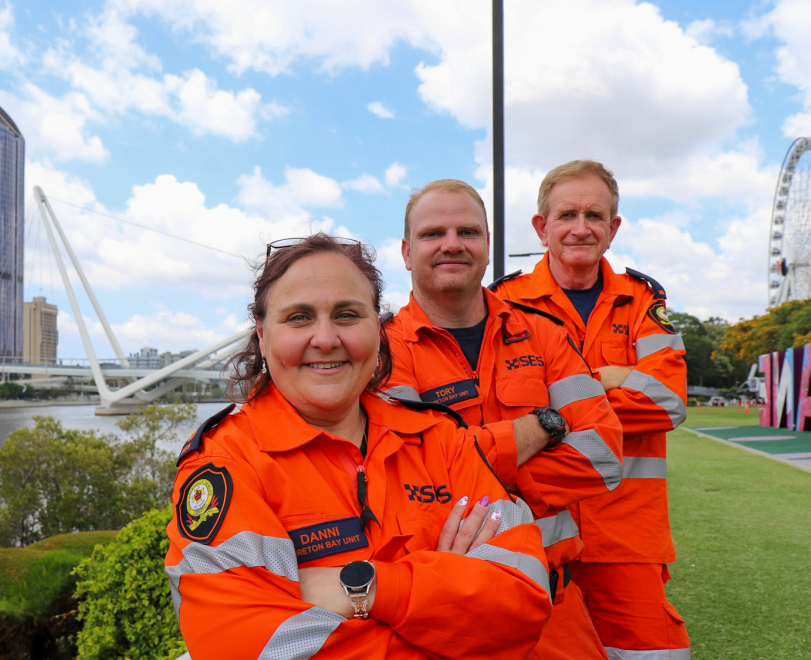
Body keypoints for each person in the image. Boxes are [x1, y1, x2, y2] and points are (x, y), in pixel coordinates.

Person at [165, 235, 552, 659]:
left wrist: (365, 587)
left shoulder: (440, 440)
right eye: (299, 318)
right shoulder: (227, 463)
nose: (326, 338)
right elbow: (244, 646)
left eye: (347, 315)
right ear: (261, 334)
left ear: (377, 328)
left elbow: (523, 600)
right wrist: (442, 609)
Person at [382, 179, 624, 659]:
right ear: (408, 253)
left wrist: (468, 467)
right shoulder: (381, 351)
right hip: (443, 611)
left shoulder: (544, 334)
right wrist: (544, 427)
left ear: (487, 247)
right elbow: (412, 470)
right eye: (434, 234)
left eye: (468, 231)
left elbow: (604, 456)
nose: (452, 244)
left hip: (554, 606)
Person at [492, 160, 690, 659]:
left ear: (613, 228)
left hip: (627, 536)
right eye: (567, 215)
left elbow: (667, 402)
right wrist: (613, 378)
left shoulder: (643, 300)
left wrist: (556, 403)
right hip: (537, 529)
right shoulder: (501, 302)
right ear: (542, 226)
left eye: (594, 216)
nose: (581, 228)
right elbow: (492, 409)